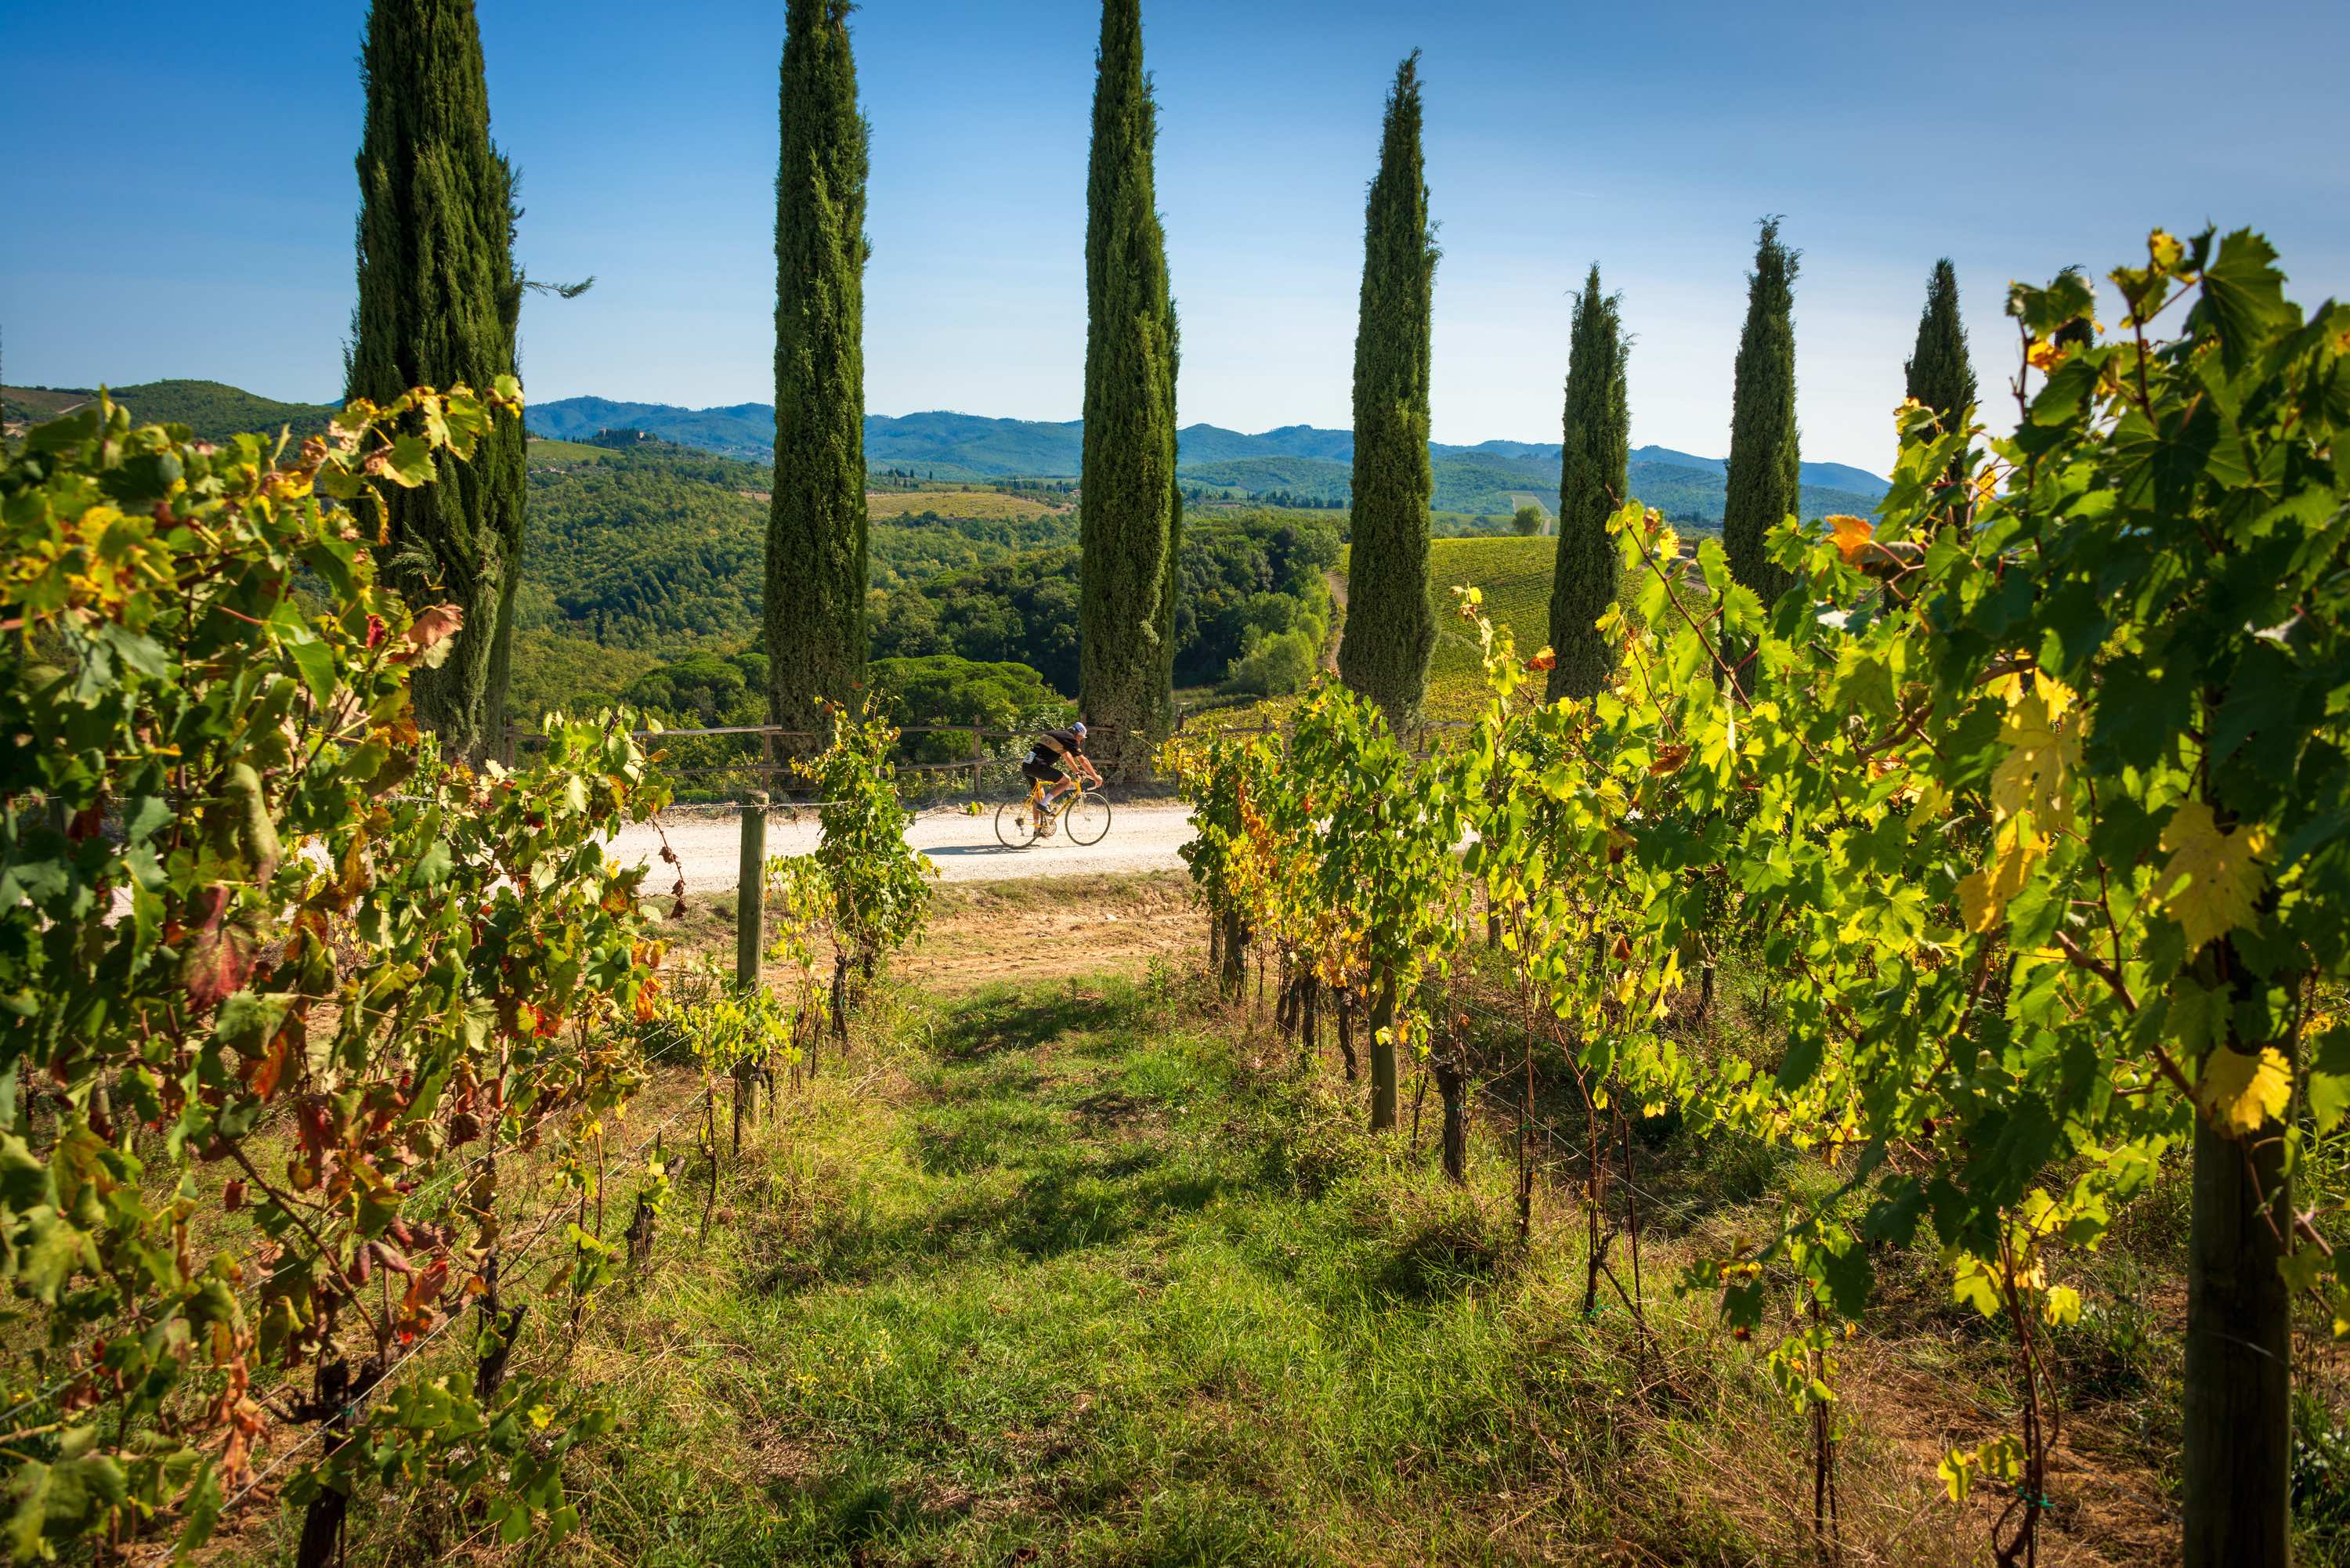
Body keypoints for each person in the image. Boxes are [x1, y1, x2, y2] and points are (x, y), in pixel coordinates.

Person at [1021, 721, 1100, 837]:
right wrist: (1095, 777)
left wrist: (1077, 771)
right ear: (1077, 735)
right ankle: (1043, 804)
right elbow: (1083, 760)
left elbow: (1066, 756)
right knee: (1066, 781)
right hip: (1038, 766)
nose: (1081, 741)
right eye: (1081, 738)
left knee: (1039, 796)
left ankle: (1037, 830)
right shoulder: (1070, 739)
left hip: (1027, 765)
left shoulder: (1057, 734)